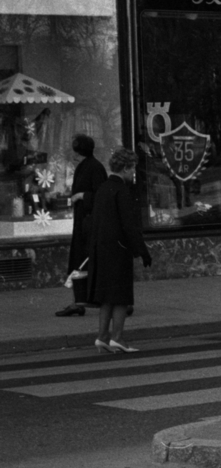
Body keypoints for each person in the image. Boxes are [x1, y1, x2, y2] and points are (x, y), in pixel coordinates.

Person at [87, 148, 151, 354]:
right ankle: (118, 337)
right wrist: (142, 251)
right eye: (132, 168)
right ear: (125, 168)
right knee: (122, 296)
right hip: (118, 250)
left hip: (101, 249)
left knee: (107, 296)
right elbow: (129, 225)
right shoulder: (121, 191)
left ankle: (102, 336)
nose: (134, 173)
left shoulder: (103, 189)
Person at [56, 135, 107, 318]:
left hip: (90, 224)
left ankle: (95, 301)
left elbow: (102, 197)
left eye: (76, 152)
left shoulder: (95, 168)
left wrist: (82, 196)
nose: (74, 155)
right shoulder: (84, 167)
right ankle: (78, 302)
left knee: (85, 262)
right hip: (82, 223)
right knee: (79, 262)